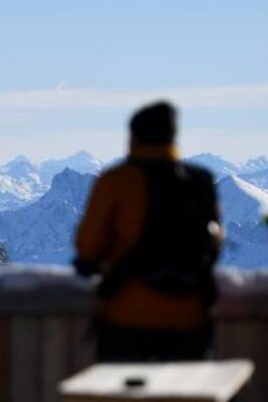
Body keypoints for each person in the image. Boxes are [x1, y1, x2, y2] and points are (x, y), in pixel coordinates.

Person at [74, 101, 223, 362]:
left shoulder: (115, 181)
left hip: (127, 317)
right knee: (185, 399)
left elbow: (88, 248)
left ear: (133, 137)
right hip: (190, 318)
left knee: (122, 398)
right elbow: (214, 245)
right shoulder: (200, 181)